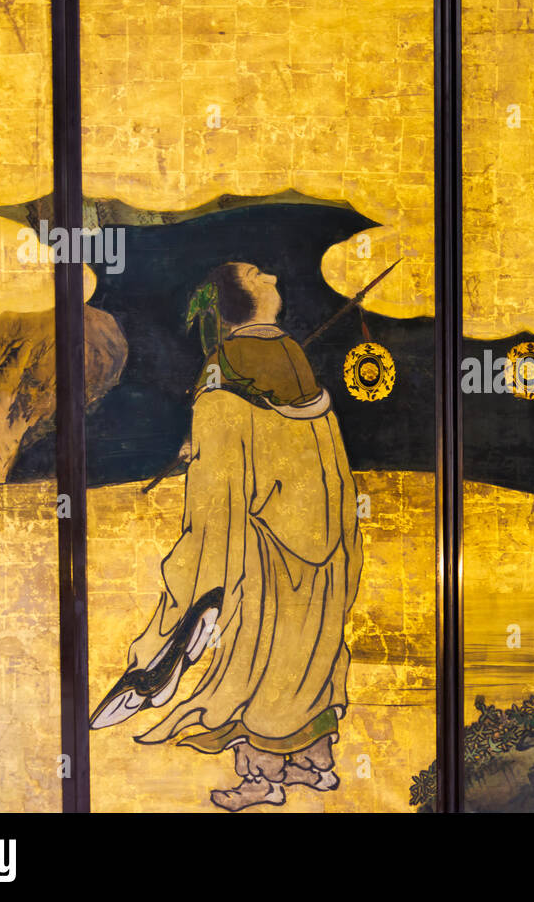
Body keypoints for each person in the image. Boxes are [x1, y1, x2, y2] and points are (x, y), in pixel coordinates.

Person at [90, 260, 364, 811]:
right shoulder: (287, 356)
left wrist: (205, 448)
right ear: (245, 297)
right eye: (262, 276)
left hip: (263, 540)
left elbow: (226, 465)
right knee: (308, 648)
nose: (276, 280)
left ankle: (261, 777)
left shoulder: (227, 366)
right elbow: (305, 438)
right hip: (320, 536)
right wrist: (212, 438)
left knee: (258, 655)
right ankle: (312, 762)